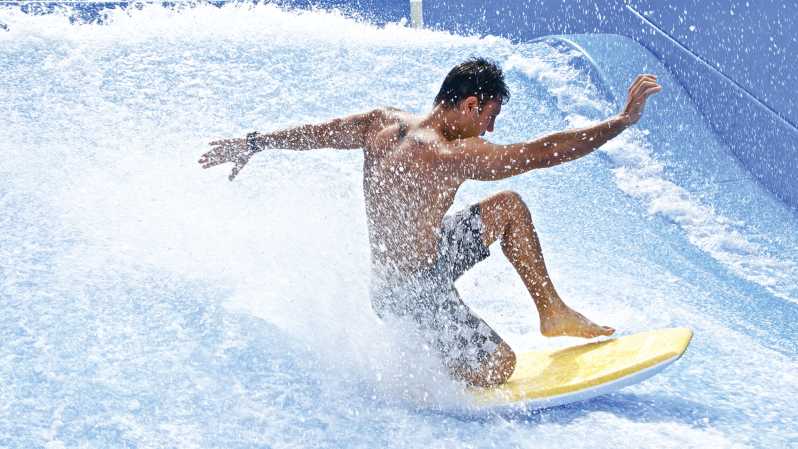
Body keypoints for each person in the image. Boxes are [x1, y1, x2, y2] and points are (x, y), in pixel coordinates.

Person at [199, 57, 661, 388]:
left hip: (419, 261)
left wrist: (255, 142)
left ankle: (553, 312)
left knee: (509, 207)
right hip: (410, 295)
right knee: (498, 367)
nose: (490, 129)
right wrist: (621, 121)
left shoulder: (380, 123)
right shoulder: (451, 153)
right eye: (490, 116)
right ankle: (427, 354)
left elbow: (319, 133)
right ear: (471, 104)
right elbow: (542, 153)